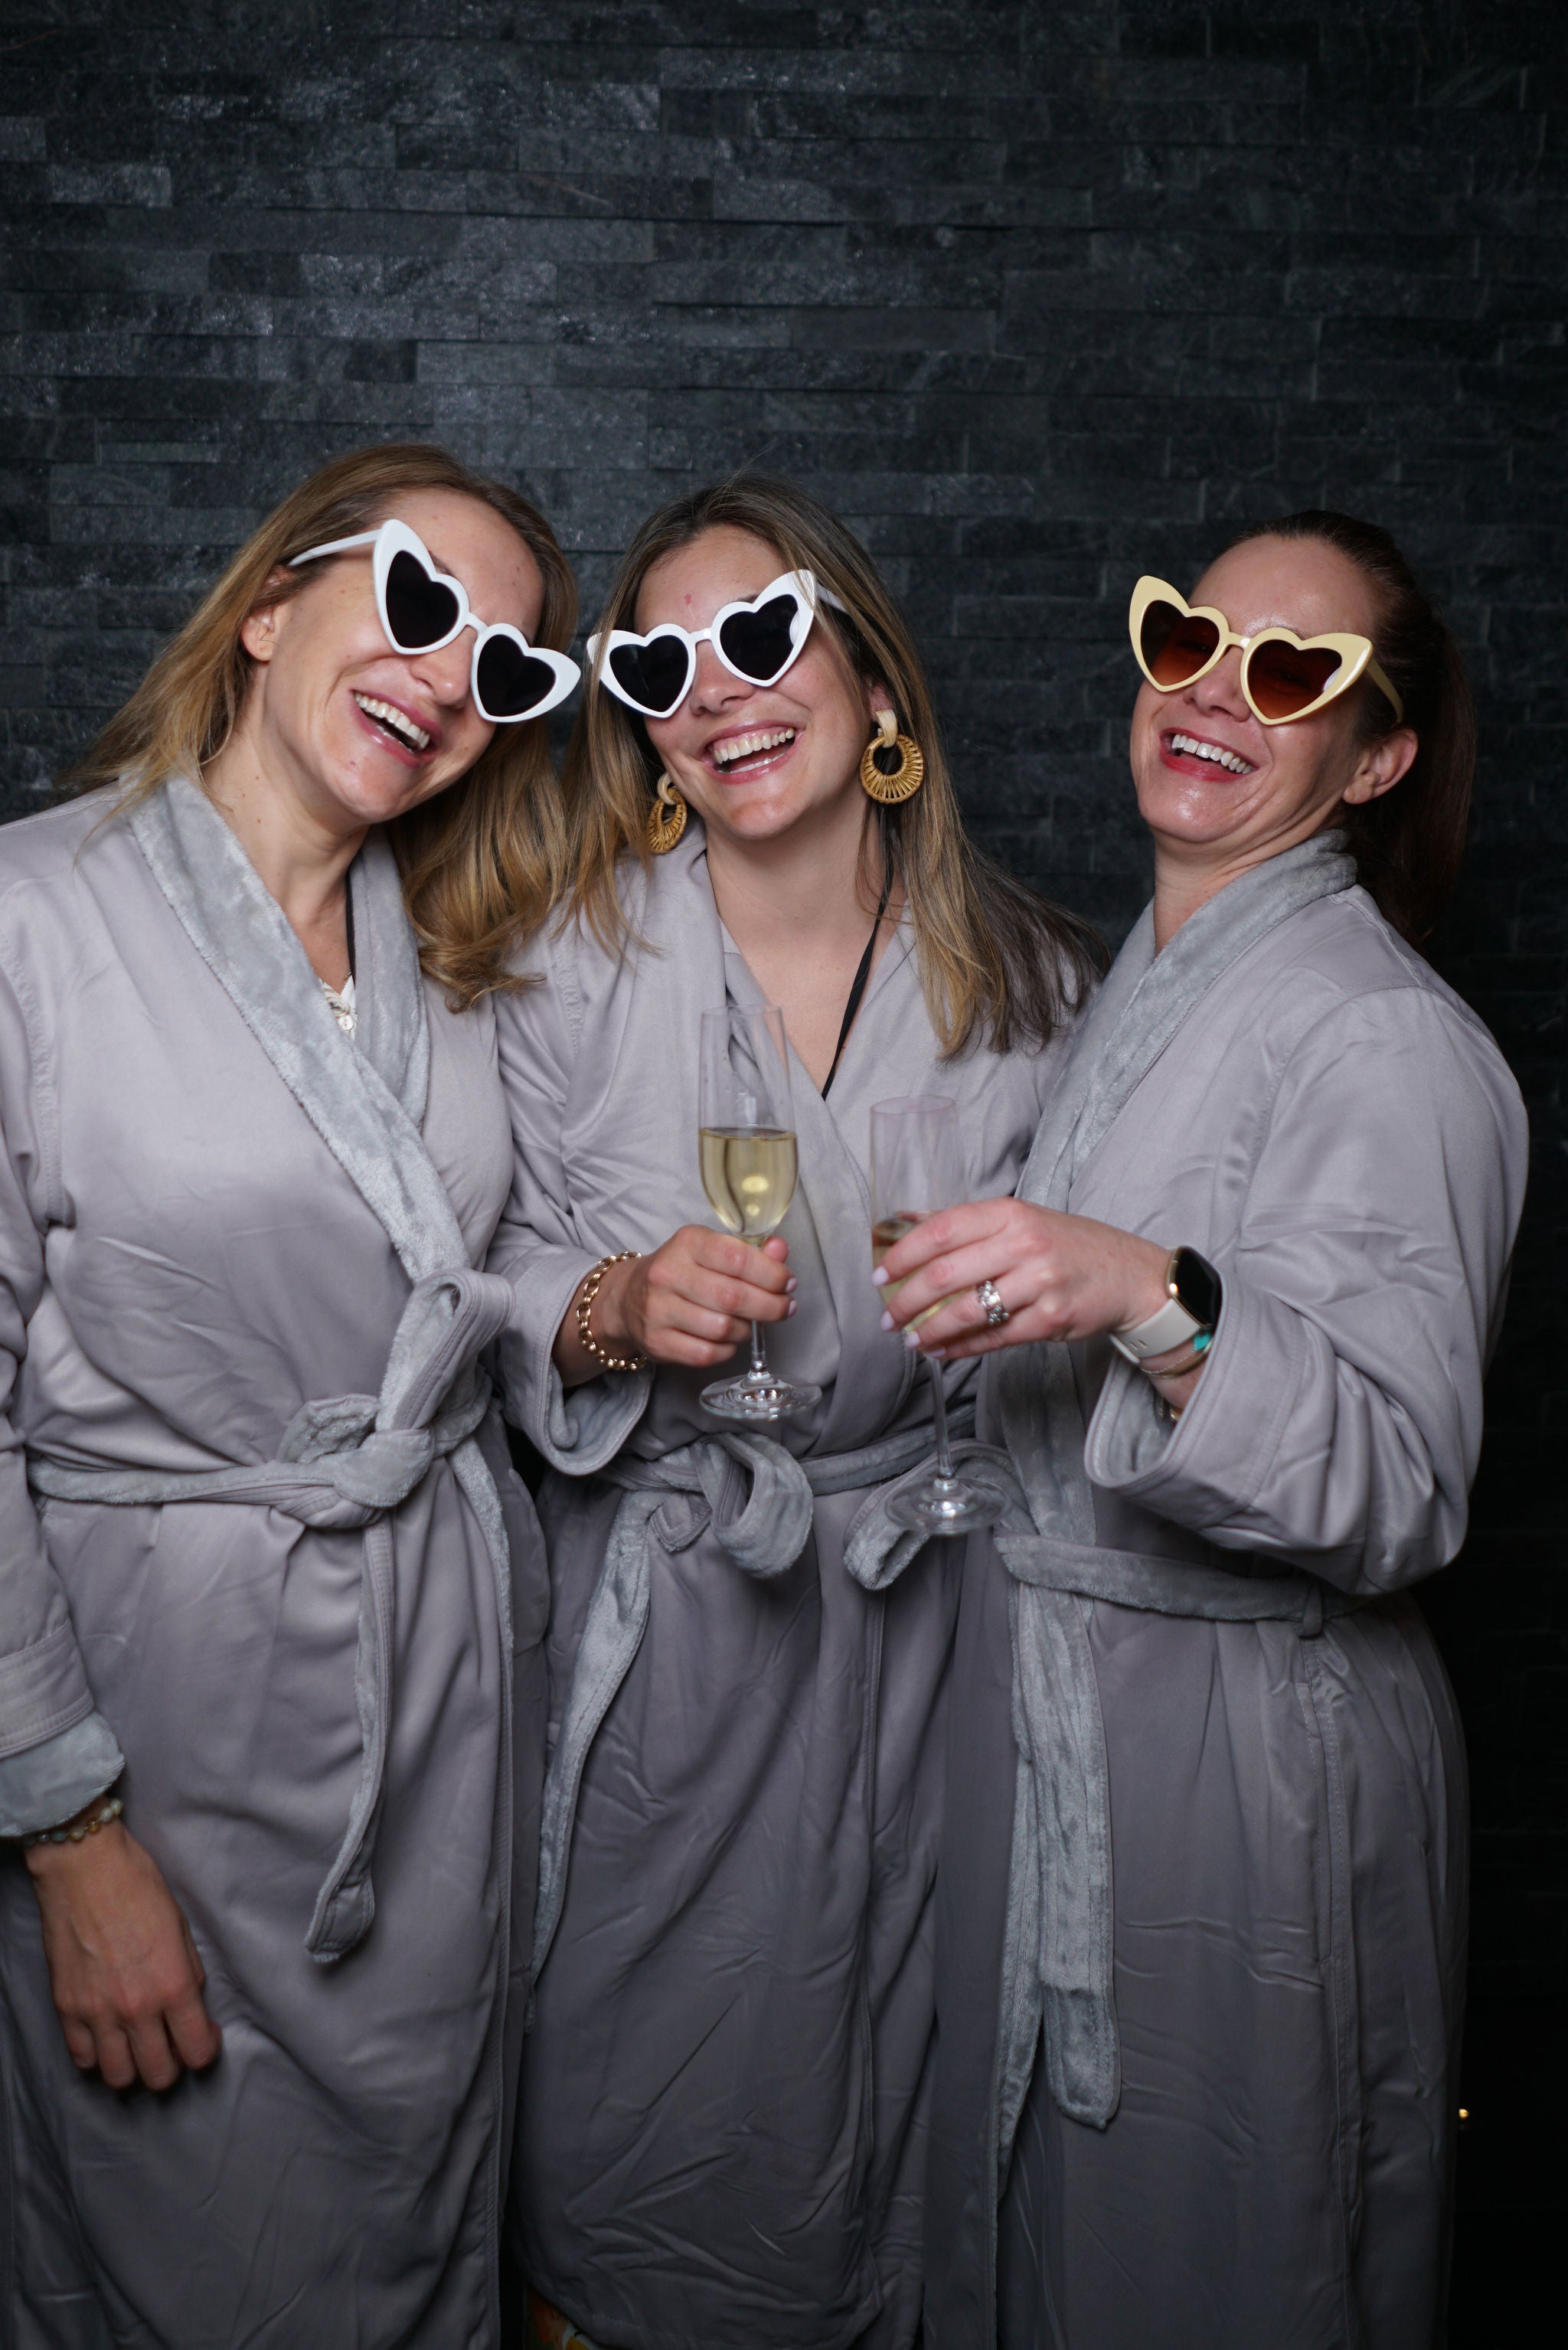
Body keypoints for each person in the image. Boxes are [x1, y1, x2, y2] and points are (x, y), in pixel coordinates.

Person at [877, 512, 1529, 2348]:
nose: (1217, 693)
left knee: (1227, 2260)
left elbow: (1399, 1479)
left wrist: (1141, 1285)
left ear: (1373, 759)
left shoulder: (1385, 1037)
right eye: (1189, 640)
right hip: (1078, 1720)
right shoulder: (1140, 990)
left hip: (1249, 1772)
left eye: (1293, 671)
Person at [485, 473, 1100, 2350]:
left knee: (906, 2070)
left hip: (934, 1621)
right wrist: (613, 1306)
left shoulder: (1036, 982)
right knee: (643, 2091)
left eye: (760, 634)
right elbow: (456, 1273)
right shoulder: (555, 965)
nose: (718, 691)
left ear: (872, 678)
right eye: (660, 664)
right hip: (678, 1614)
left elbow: (1091, 1325)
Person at [0, 442, 580, 2345]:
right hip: (164, 1725)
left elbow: (491, 1291)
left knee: (422, 2226)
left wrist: (618, 1307)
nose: (449, 672)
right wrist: (69, 1835)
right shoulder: (30, 913)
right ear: (267, 609)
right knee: (175, 2245)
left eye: (506, 663)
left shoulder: (464, 957)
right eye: (417, 601)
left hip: (438, 1710)